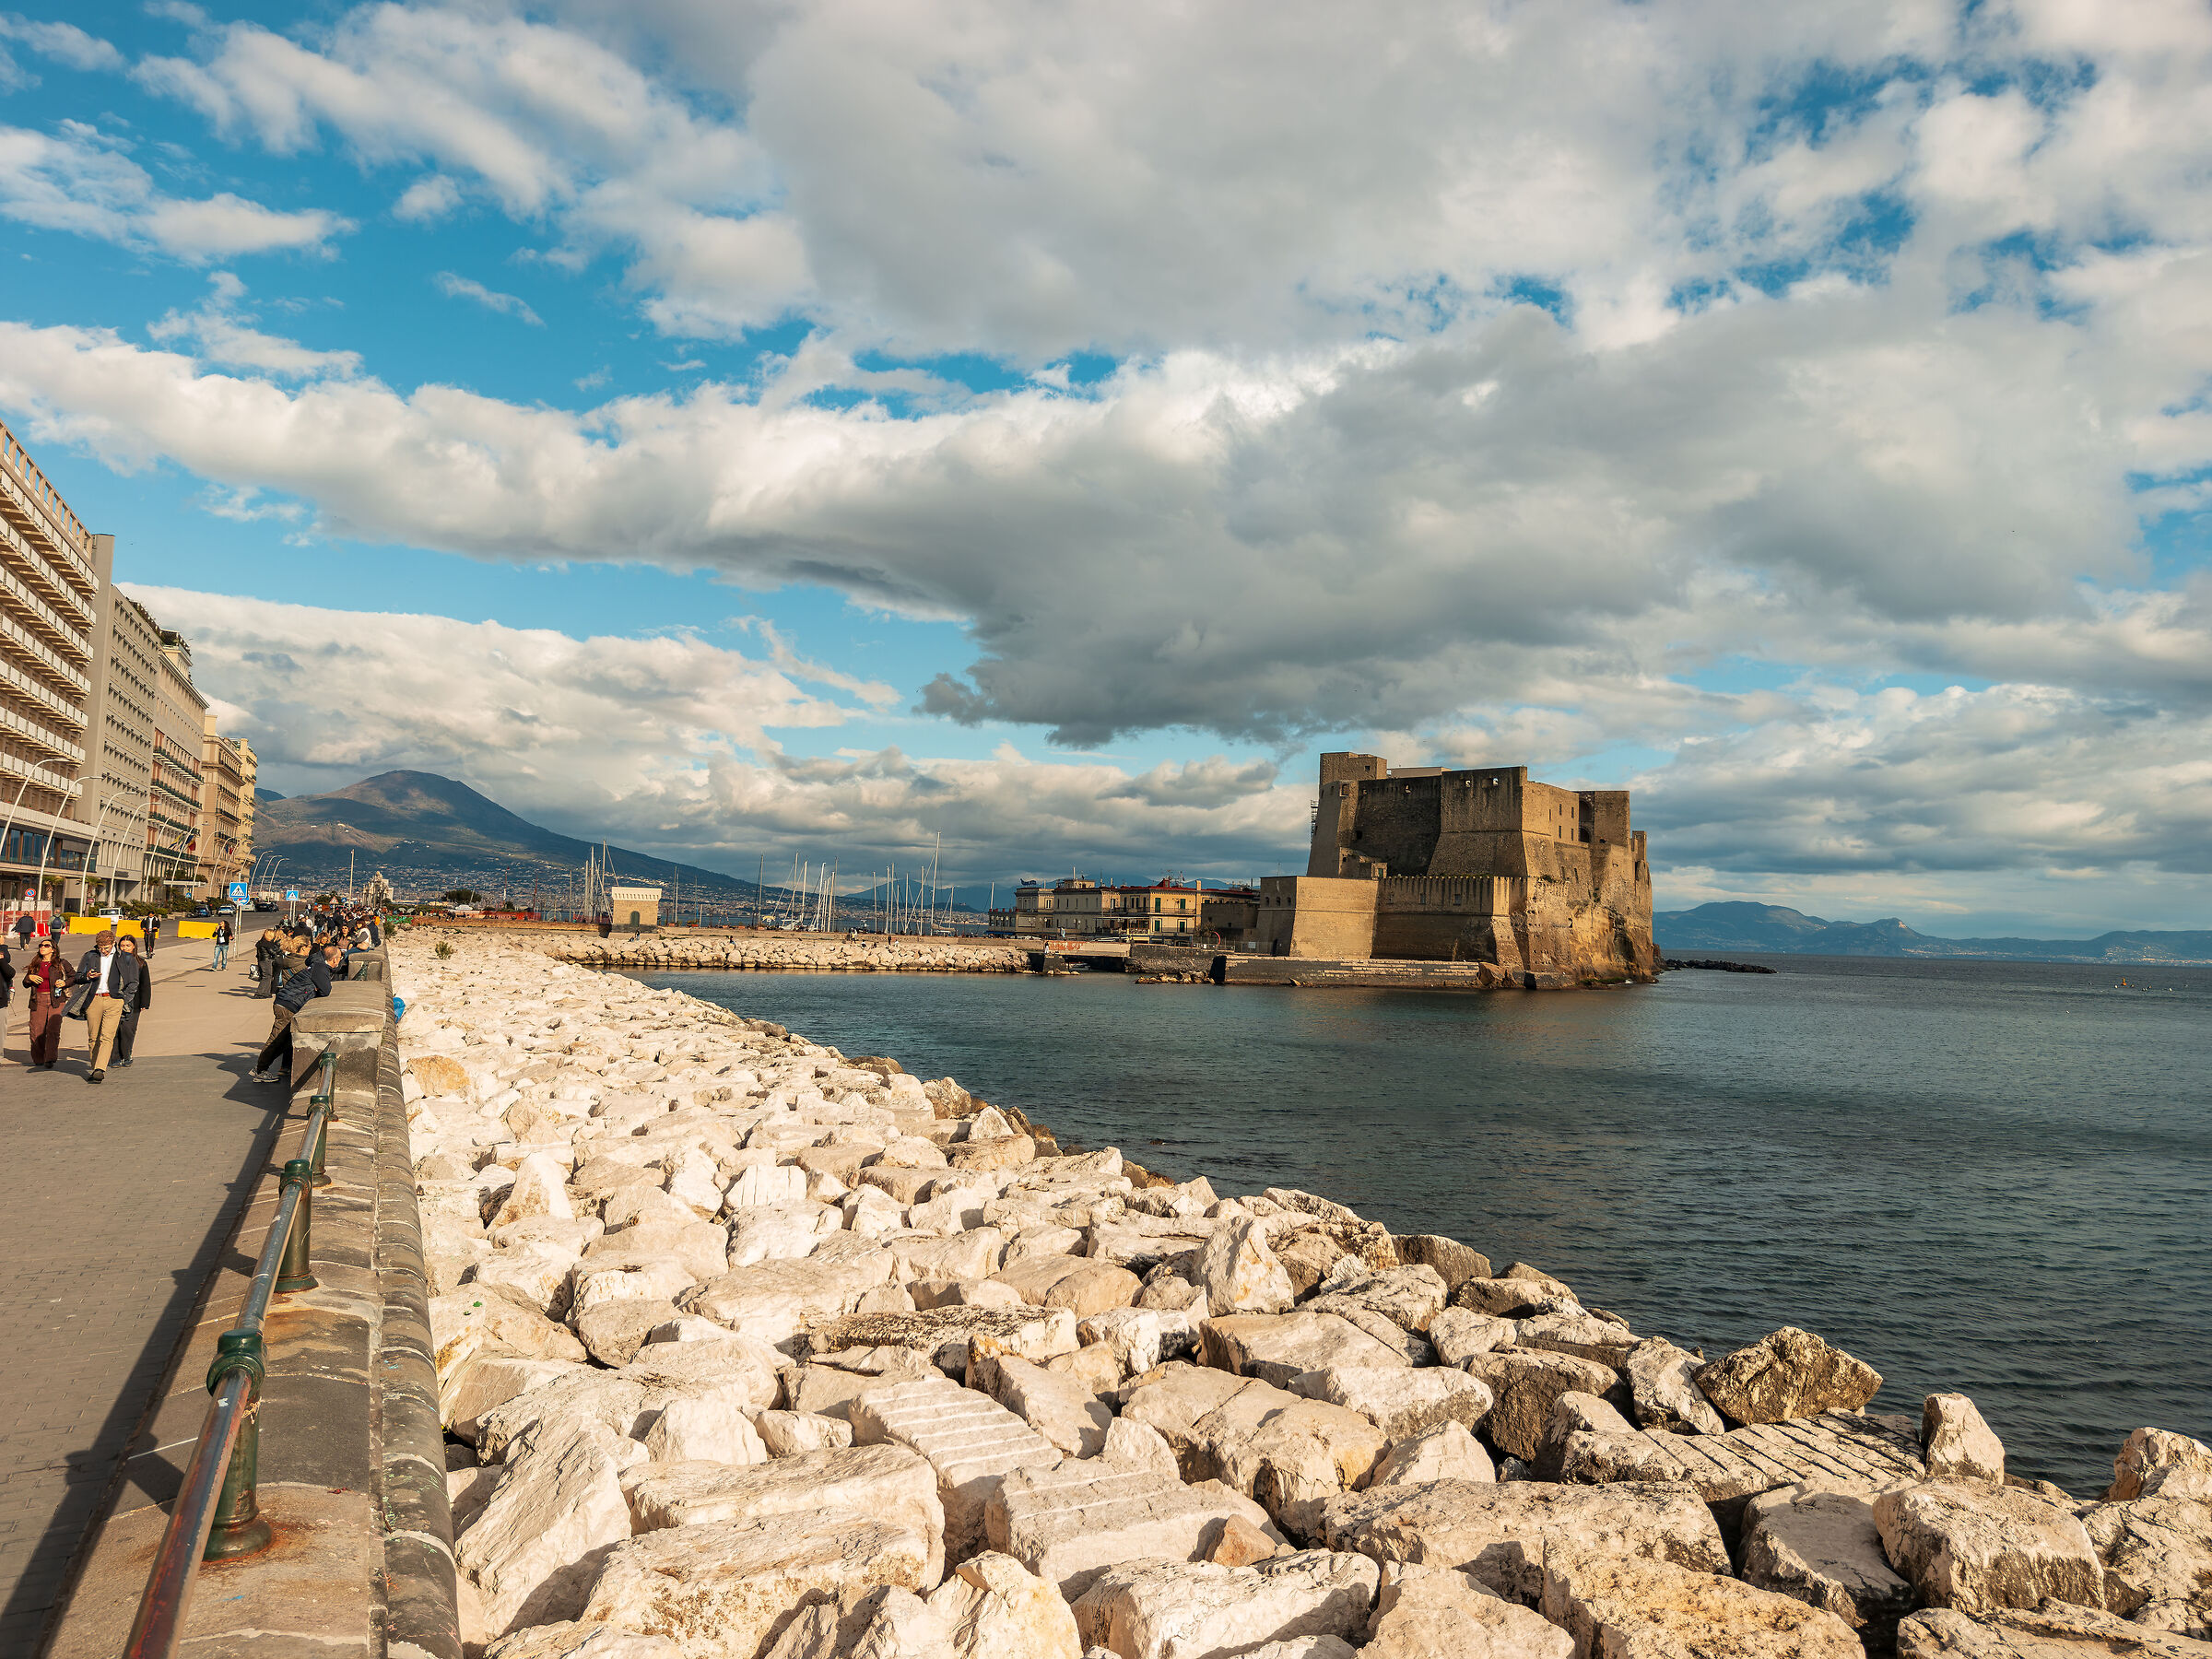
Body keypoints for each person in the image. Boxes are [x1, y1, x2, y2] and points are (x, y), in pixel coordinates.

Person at [250, 943, 332, 1083]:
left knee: (284, 1041)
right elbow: (326, 990)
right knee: (276, 1040)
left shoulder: (314, 964)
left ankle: (261, 1067)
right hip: (287, 1005)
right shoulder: (317, 967)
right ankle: (259, 1070)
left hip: (286, 1002)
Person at [76, 928, 141, 1083]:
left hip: (114, 1000)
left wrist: (123, 999)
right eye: (101, 948)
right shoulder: (89, 956)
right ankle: (96, 1067)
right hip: (94, 1000)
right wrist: (87, 976)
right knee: (93, 1038)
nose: (104, 951)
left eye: (107, 947)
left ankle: (100, 1069)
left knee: (107, 1036)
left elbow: (133, 982)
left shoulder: (125, 958)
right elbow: (78, 977)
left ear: (114, 943)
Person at [22, 938, 67, 1068]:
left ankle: (50, 1058)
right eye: (41, 945)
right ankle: (39, 1058)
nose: (42, 947)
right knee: (36, 1030)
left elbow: (73, 977)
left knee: (53, 1029)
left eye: (46, 946)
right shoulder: (36, 963)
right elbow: (25, 983)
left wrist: (64, 983)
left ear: (53, 949)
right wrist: (29, 977)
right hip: (38, 999)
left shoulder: (61, 963)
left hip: (56, 1000)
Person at [112, 934, 148, 1067]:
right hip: (115, 1000)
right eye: (122, 945)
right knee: (114, 1030)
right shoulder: (114, 961)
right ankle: (115, 1058)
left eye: (128, 945)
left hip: (134, 1002)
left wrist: (144, 1003)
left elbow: (145, 984)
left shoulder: (141, 963)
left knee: (128, 1029)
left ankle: (126, 1055)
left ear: (134, 947)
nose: (125, 948)